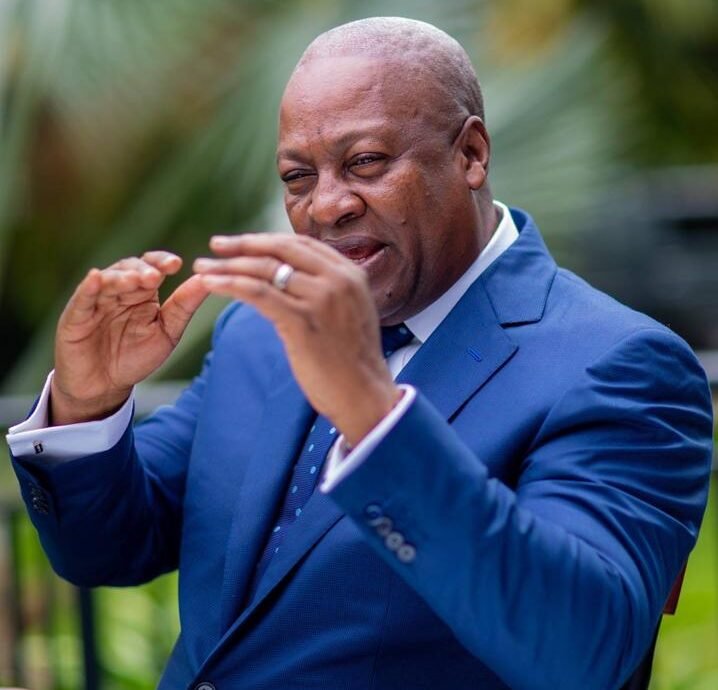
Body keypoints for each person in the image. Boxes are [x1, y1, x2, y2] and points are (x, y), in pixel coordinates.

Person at [6, 17, 713, 690]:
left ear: (471, 154)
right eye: (298, 177)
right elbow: (111, 546)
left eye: (366, 162)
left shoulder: (620, 366)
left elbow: (579, 651)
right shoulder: (262, 332)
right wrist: (88, 402)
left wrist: (371, 416)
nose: (327, 205)